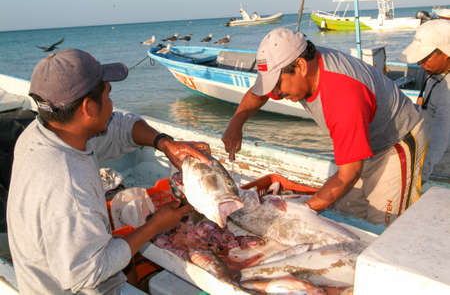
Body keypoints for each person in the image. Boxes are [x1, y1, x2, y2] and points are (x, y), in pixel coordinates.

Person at [7, 48, 210, 294]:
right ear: (88, 108)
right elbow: (88, 273)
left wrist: (165, 144)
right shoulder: (67, 186)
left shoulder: (45, 131)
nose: (112, 104)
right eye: (108, 94)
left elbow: (120, 126)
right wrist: (153, 226)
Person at [222, 28, 427, 226]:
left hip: (394, 143)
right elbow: (259, 94)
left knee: (384, 225)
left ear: (301, 66)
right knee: (344, 210)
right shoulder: (295, 66)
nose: (275, 92)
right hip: (364, 138)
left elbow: (348, 174)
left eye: (277, 84)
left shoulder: (343, 97)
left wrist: (297, 213)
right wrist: (235, 124)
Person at [401, 19, 450, 184]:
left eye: (425, 58)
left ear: (445, 53)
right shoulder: (435, 74)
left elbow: (441, 136)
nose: (420, 63)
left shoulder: (447, 89)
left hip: (440, 168)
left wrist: (420, 177)